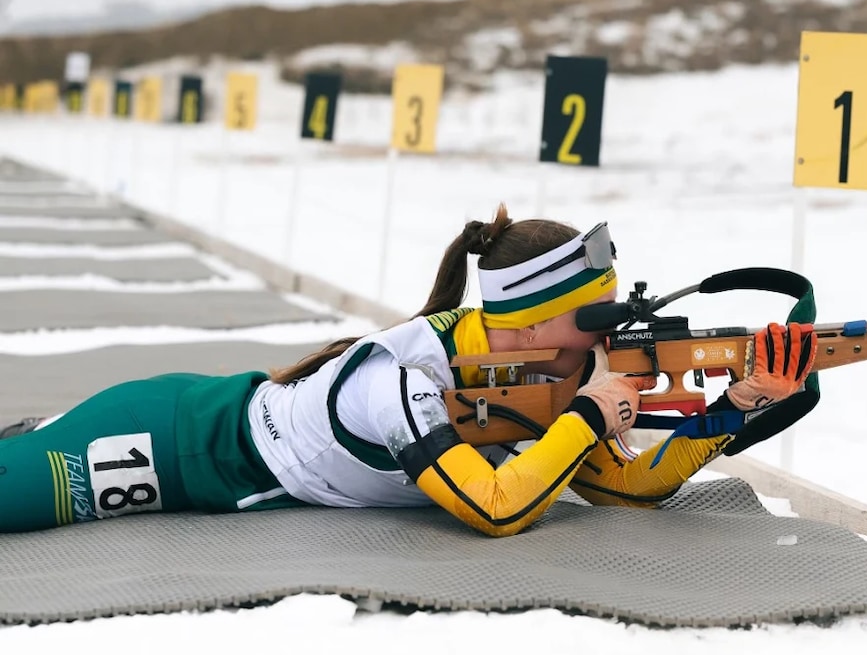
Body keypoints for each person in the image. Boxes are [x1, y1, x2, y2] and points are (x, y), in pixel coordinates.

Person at [0, 204, 816, 536]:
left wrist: (739, 404)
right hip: (177, 440)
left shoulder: (558, 373)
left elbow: (630, 487)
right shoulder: (406, 377)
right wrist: (592, 415)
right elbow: (494, 510)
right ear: (526, 323)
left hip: (216, 443)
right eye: (592, 318)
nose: (610, 337)